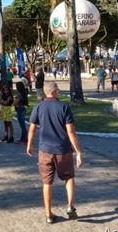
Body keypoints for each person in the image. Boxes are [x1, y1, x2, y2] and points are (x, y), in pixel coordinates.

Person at [27, 81, 83, 224]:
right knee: (69, 177)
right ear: (56, 92)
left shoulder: (38, 107)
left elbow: (32, 128)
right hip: (63, 149)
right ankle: (70, 206)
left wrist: (29, 145)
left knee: (47, 182)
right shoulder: (64, 107)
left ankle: (48, 215)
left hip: (44, 150)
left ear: (45, 92)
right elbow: (70, 131)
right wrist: (78, 151)